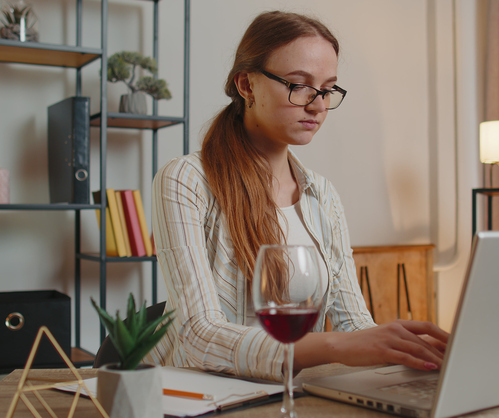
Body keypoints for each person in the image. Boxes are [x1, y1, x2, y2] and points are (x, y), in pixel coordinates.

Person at [148, 11, 448, 382]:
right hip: (202, 399)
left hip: (288, 394)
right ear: (247, 85)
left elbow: (352, 322)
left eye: (327, 89)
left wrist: (404, 352)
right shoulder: (186, 181)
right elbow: (197, 337)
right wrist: (332, 347)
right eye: (299, 85)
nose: (318, 105)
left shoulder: (322, 195)